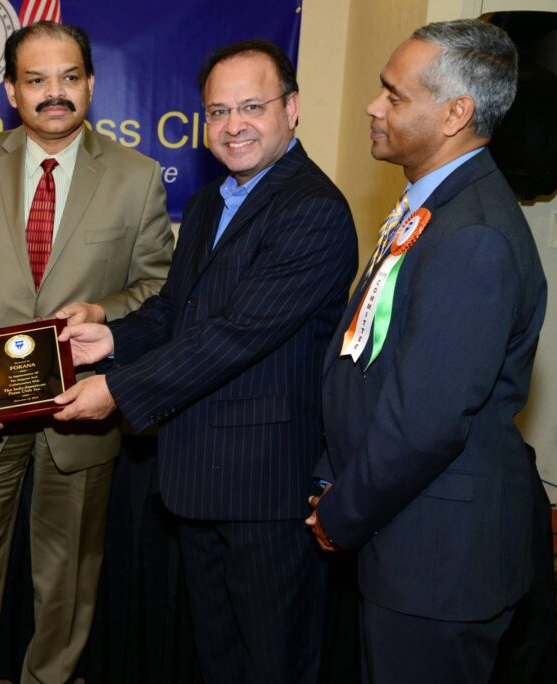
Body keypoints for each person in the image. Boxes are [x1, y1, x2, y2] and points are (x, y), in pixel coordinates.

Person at [55, 39, 357, 684]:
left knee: (274, 663)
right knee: (218, 659)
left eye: (252, 107)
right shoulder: (207, 203)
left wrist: (117, 388)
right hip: (198, 476)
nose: (232, 125)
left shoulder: (313, 209)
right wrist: (109, 337)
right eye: (218, 112)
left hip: (267, 485)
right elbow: (176, 310)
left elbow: (237, 333)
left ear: (291, 109)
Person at [0, 21, 174, 684]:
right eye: (36, 79)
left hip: (79, 399)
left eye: (69, 77)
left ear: (91, 84)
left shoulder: (137, 176)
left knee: (68, 575)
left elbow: (158, 286)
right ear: (12, 90)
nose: (54, 92)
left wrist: (101, 311)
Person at [305, 19, 547, 683]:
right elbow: (366, 358)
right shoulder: (434, 206)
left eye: (394, 95)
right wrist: (334, 476)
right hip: (398, 527)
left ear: (455, 114)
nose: (372, 106)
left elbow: (426, 420)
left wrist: (343, 512)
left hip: (437, 559)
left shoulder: (473, 237)